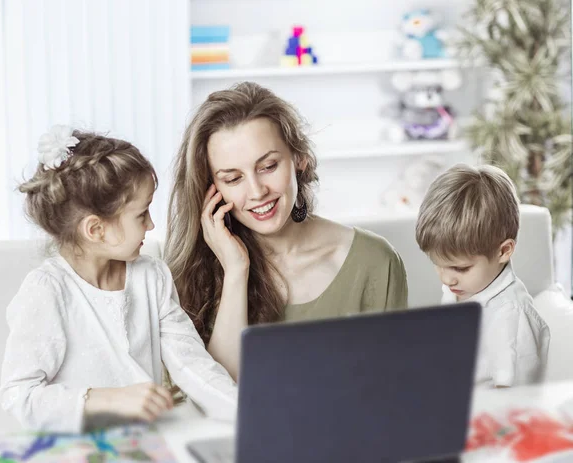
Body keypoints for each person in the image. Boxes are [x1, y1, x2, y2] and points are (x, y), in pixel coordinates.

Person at [0, 126, 237, 433]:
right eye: (142, 214)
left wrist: (247, 413)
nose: (151, 225)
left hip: (144, 445)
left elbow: (193, 366)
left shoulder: (151, 276)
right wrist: (105, 399)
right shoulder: (48, 291)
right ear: (96, 230)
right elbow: (20, 395)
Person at [164, 82, 408, 380]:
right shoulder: (193, 273)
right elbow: (220, 395)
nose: (257, 192)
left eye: (268, 166)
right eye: (233, 178)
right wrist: (236, 271)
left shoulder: (374, 261)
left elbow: (392, 386)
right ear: (211, 191)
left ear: (298, 158)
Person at [415, 163, 550, 388]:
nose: (446, 279)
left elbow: (515, 400)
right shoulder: (461, 287)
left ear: (503, 251)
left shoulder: (512, 316)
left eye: (460, 268)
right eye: (438, 265)